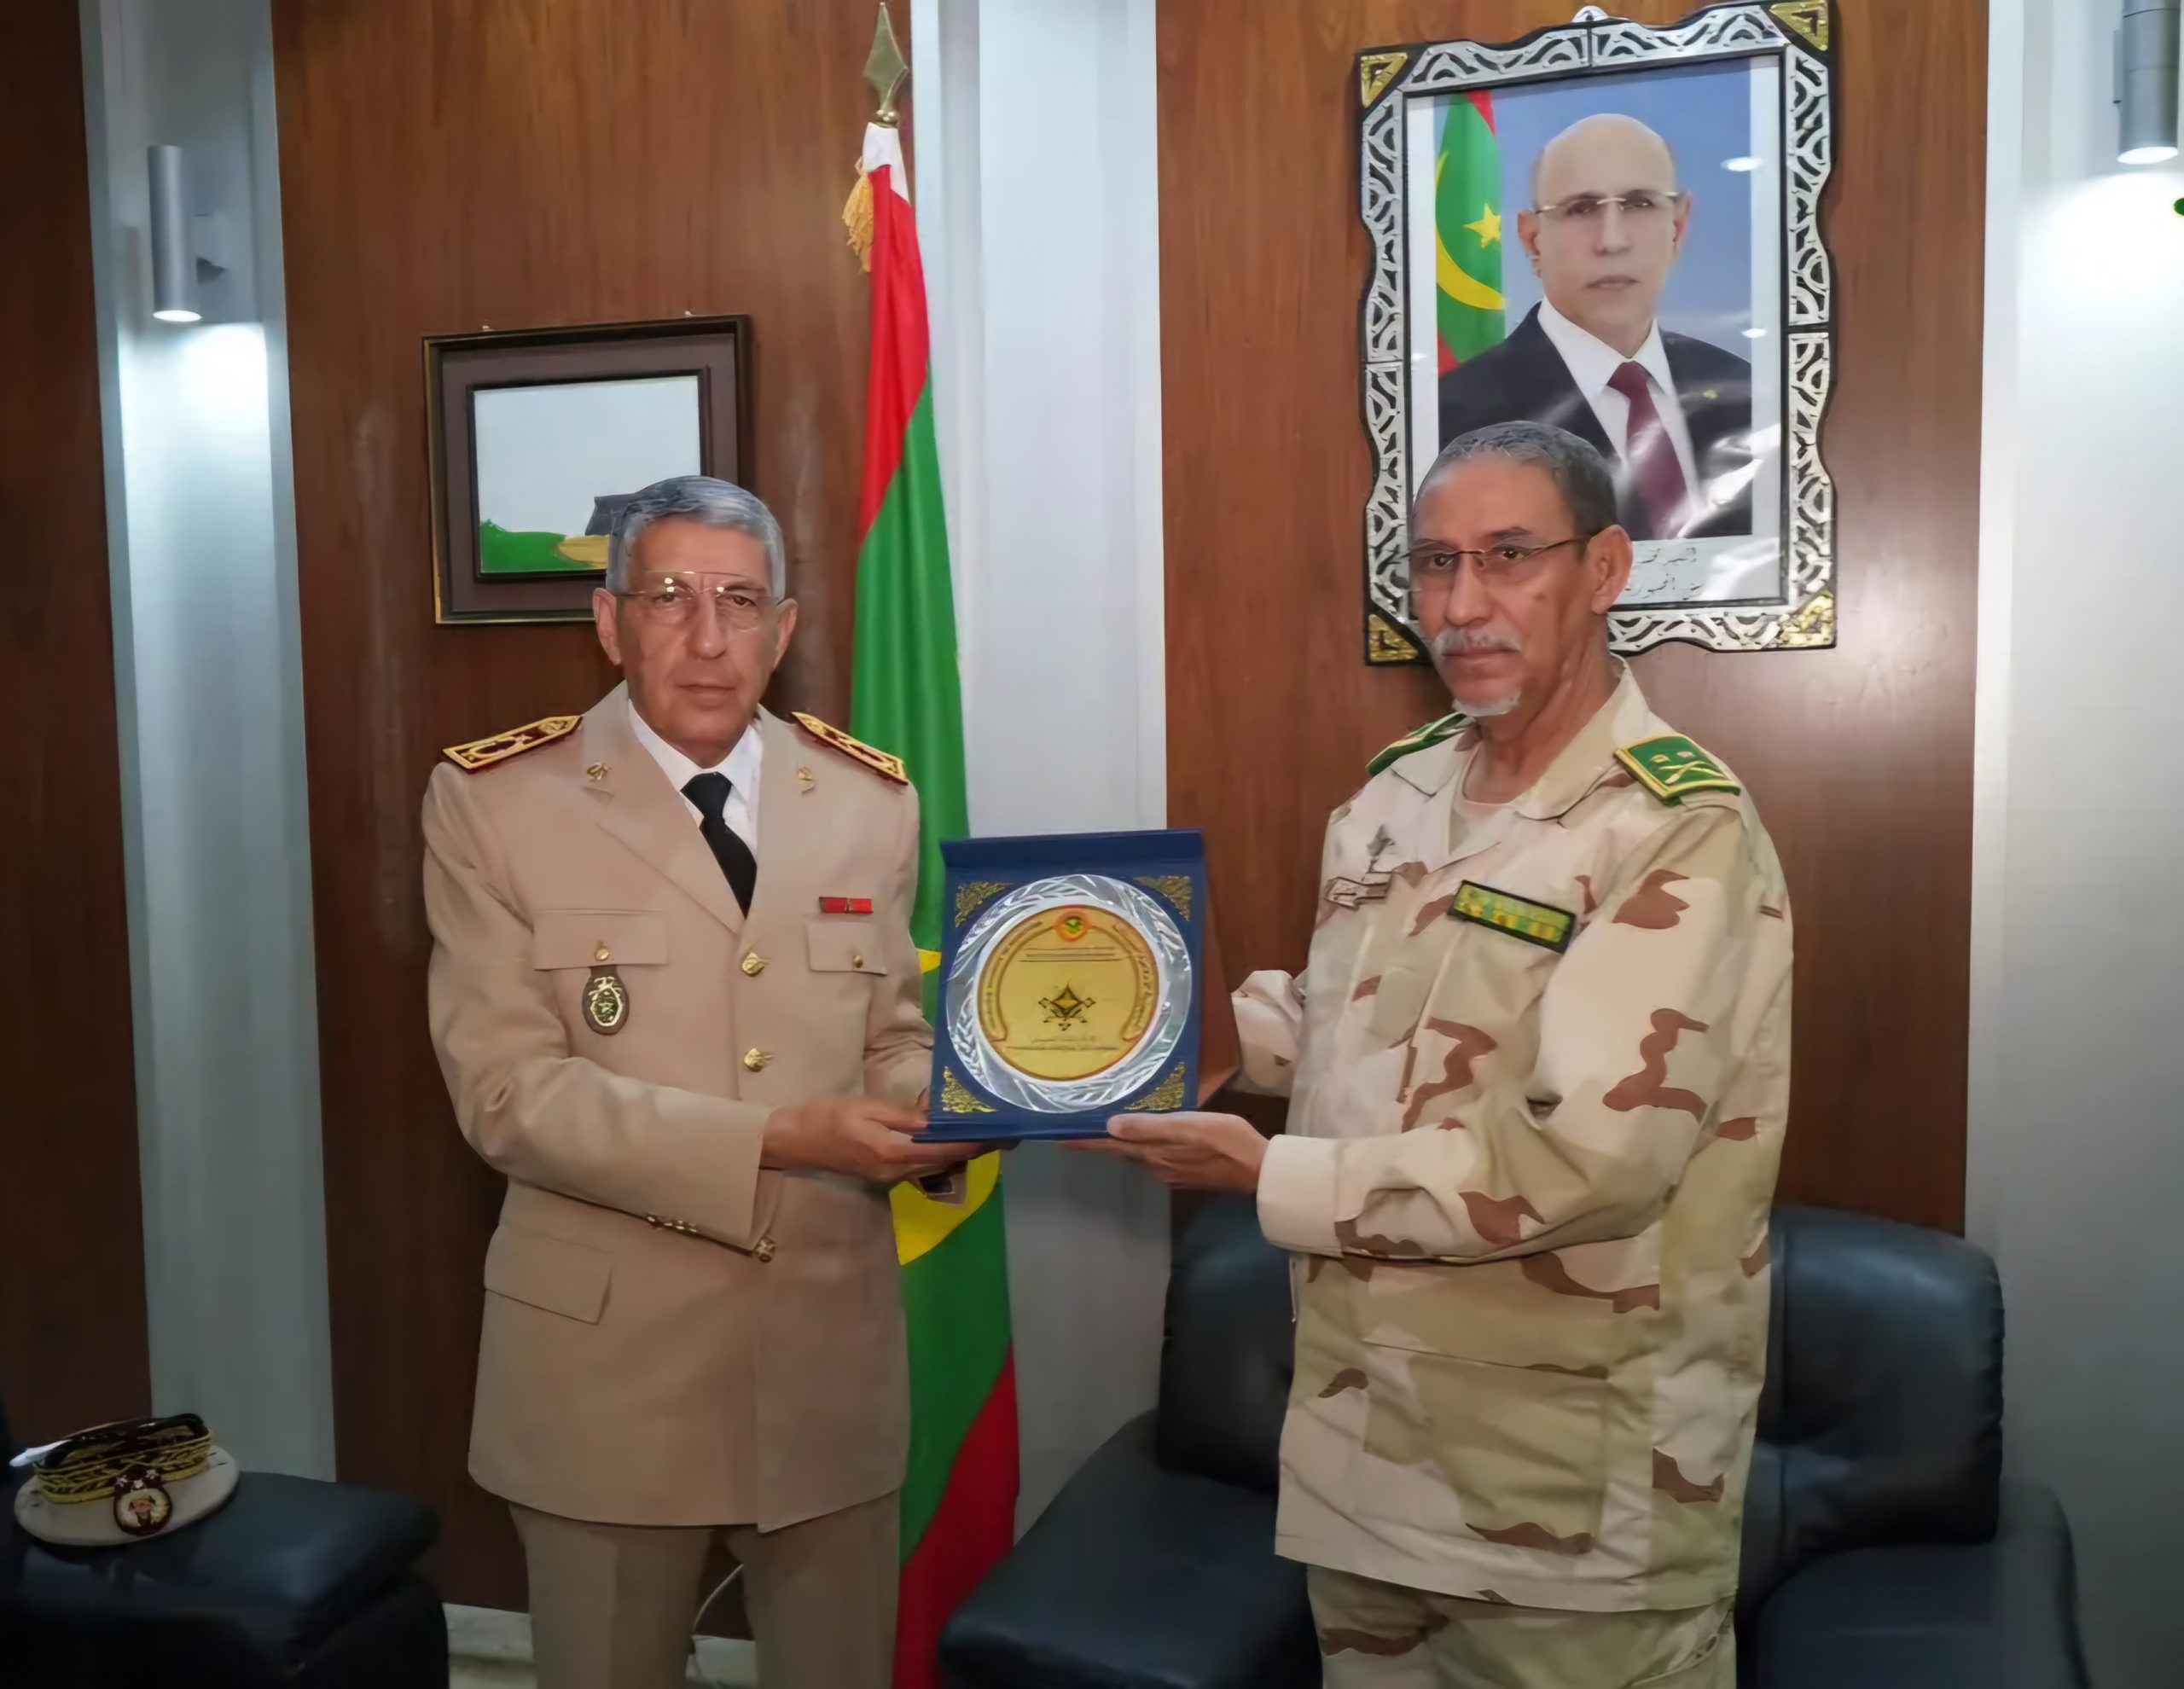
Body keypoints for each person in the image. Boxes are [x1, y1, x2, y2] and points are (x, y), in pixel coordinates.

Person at [1086, 422, 1791, 1687]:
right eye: (1433, 564)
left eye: (1509, 556)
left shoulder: (1674, 829)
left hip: (1565, 1508)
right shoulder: (1394, 796)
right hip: (1365, 1462)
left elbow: (1589, 1161)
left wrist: (1267, 1175)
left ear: (1606, 569)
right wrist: (1123, 1036)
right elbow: (1345, 1021)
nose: (1462, 606)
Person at [421, 475, 973, 1689]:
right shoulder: (497, 803)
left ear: (785, 629)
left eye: (740, 601)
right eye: (669, 597)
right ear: (609, 622)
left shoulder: (870, 801)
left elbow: (889, 1033)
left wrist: (963, 1103)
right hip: (608, 1378)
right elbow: (507, 1096)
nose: (708, 637)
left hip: (826, 1362)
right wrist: (782, 1137)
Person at [1438, 114, 1755, 541]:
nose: (1612, 241)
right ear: (1533, 240)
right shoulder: (1454, 418)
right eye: (1581, 209)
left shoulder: (1746, 394)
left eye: (1639, 204)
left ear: (1678, 228)